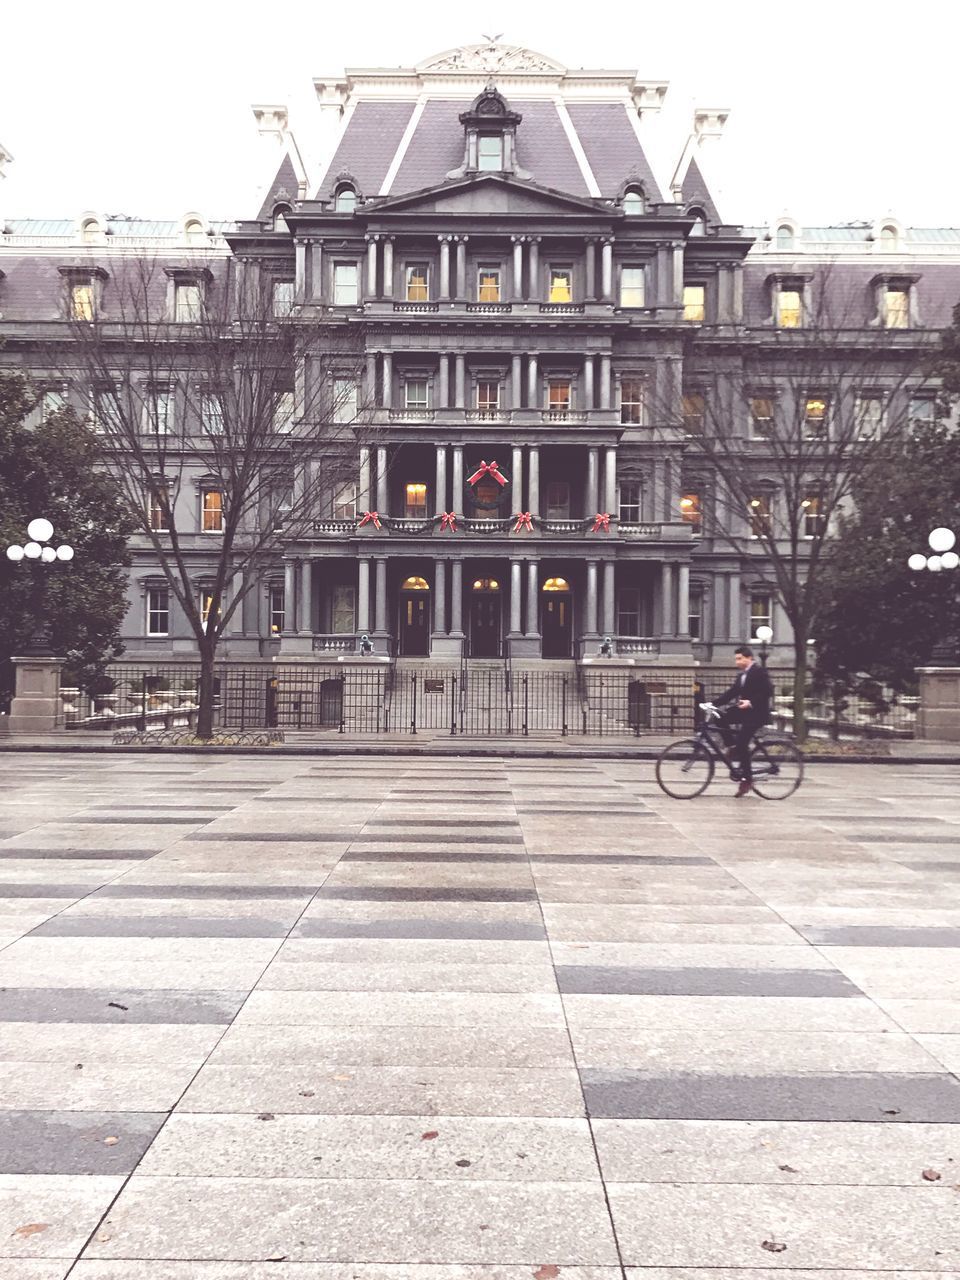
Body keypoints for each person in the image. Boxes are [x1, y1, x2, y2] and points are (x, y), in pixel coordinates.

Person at [714, 644, 773, 797]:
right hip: (745, 711)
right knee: (719, 716)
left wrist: (751, 702)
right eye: (736, 659)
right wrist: (713, 704)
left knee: (743, 744)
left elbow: (768, 691)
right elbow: (732, 692)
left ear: (748, 658)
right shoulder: (741, 675)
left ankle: (747, 779)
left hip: (757, 714)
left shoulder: (759, 671)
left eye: (740, 659)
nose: (737, 662)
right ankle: (731, 745)